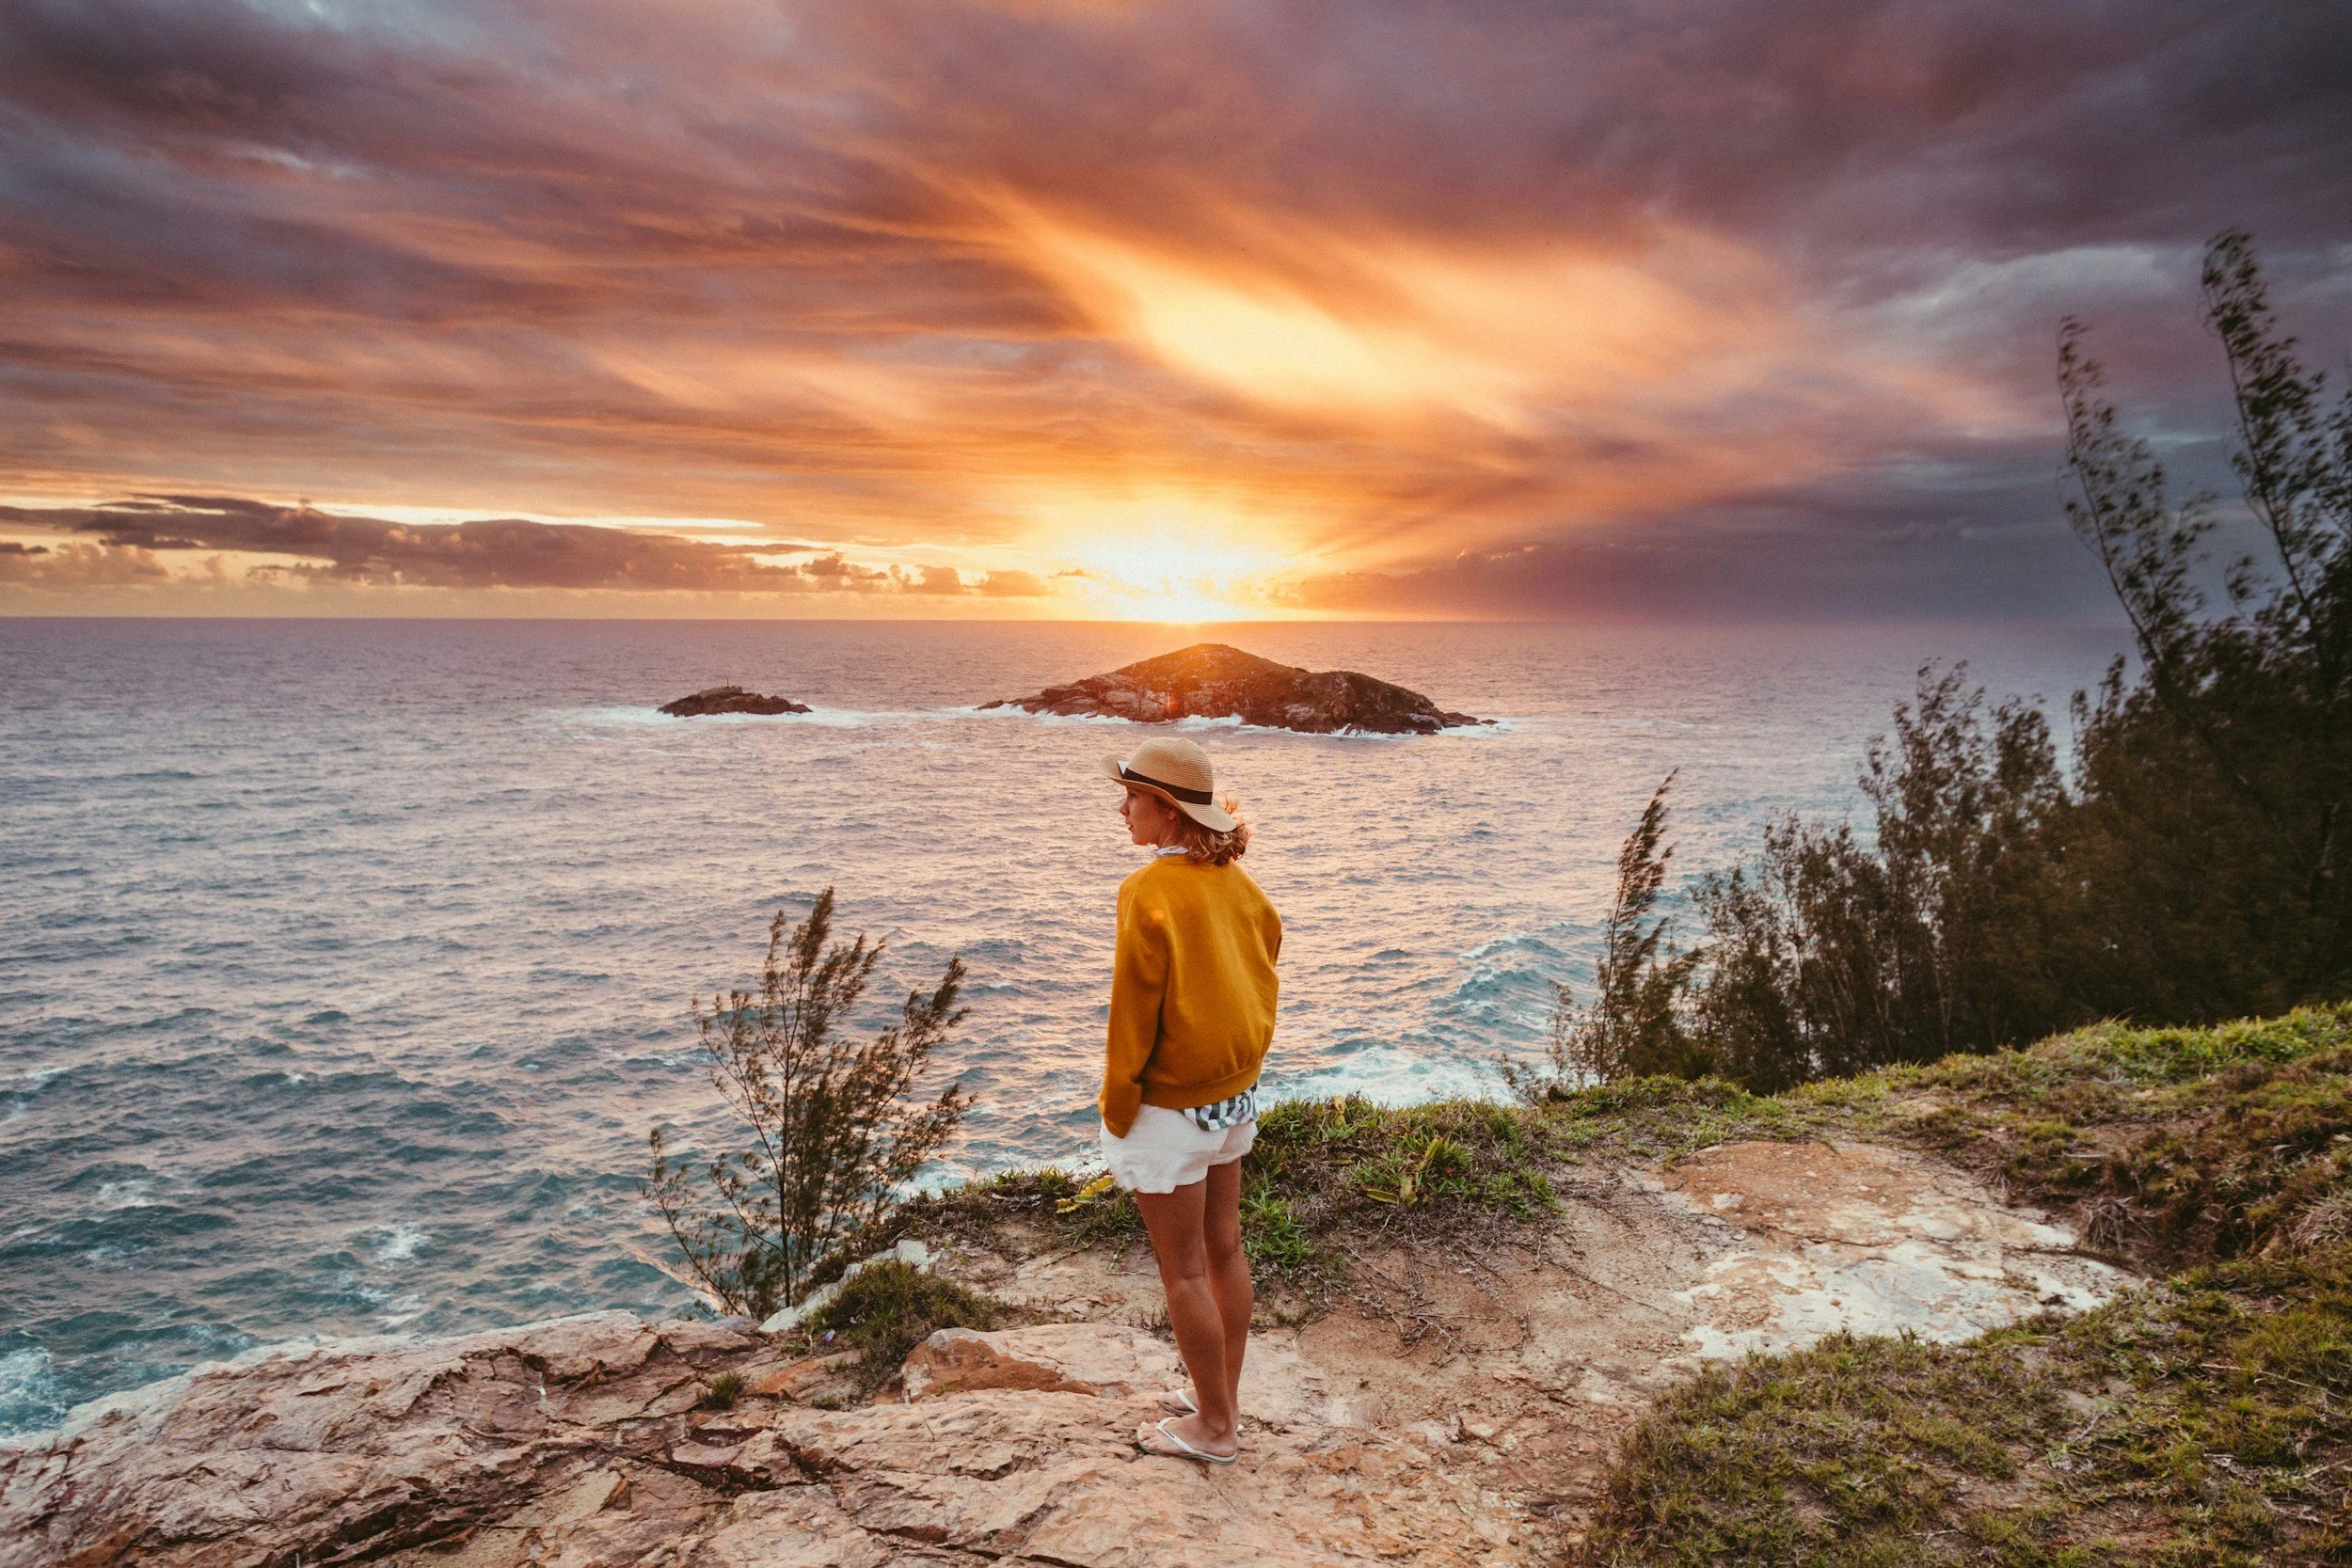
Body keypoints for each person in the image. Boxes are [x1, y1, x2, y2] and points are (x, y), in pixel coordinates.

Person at [1094, 736, 1281, 1465]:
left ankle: (1216, 1428)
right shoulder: (1239, 880)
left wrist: (1118, 1106)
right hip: (1233, 1097)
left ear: (1167, 811)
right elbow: (1267, 958)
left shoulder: (1148, 892)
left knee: (1183, 1272)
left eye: (1132, 796)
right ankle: (1221, 1397)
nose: (1123, 809)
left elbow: (1132, 1016)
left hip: (1171, 1109)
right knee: (1225, 1247)